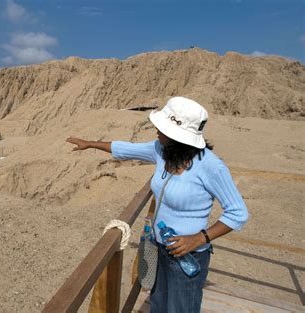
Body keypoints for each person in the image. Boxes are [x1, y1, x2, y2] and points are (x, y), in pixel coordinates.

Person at [66, 96, 248, 312]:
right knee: (159, 305)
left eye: (162, 127)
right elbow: (126, 149)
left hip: (188, 255)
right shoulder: (161, 151)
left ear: (176, 135)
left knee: (181, 308)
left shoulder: (210, 166)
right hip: (160, 247)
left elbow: (238, 213)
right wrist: (90, 144)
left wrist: (198, 239)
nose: (156, 129)